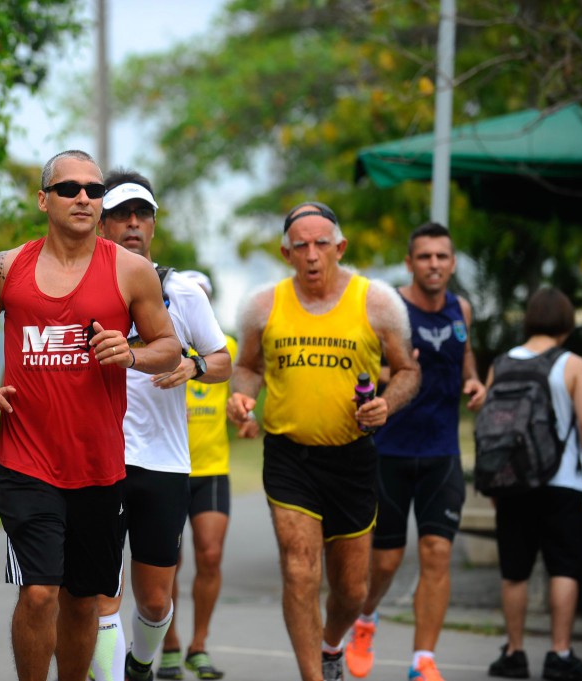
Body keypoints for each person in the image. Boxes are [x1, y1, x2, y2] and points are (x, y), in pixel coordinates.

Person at [0, 149, 182, 681]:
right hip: (27, 461)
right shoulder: (7, 267)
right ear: (43, 199)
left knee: (83, 601)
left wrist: (132, 354)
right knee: (38, 593)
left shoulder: (131, 270)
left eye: (94, 190)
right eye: (69, 188)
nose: (84, 198)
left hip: (100, 466)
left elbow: (168, 346)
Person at [225, 201, 419, 681]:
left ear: (340, 248)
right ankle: (313, 675)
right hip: (290, 456)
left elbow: (409, 372)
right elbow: (247, 368)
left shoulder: (376, 302)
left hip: (352, 457)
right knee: (299, 568)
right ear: (286, 253)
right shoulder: (262, 306)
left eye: (321, 245)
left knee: (352, 589)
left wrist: (386, 404)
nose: (312, 255)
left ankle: (332, 645)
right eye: (301, 246)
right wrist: (242, 399)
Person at [92, 172, 231, 681]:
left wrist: (194, 365)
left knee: (154, 600)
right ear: (102, 223)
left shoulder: (182, 291)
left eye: (142, 214)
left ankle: (141, 665)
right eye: (122, 214)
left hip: (164, 462)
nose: (133, 223)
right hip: (99, 460)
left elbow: (223, 361)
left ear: (152, 224)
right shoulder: (81, 286)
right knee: (103, 595)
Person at [343, 222, 486, 681]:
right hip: (390, 450)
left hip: (442, 453)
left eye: (442, 256)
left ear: (453, 262)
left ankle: (423, 660)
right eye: (425, 256)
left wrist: (475, 382)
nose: (434, 264)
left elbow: (465, 359)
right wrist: (393, 375)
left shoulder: (461, 308)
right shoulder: (391, 308)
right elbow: (360, 373)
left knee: (437, 553)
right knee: (384, 561)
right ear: (410, 262)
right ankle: (365, 619)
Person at [484, 287, 582, 681]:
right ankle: (559, 654)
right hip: (563, 482)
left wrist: (494, 482)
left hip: (512, 483)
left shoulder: (502, 362)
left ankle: (514, 653)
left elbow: (492, 430)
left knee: (515, 570)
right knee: (564, 565)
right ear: (566, 322)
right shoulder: (573, 364)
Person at [157, 270, 239, 681]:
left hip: (211, 469)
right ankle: (169, 645)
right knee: (166, 562)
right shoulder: (158, 346)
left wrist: (243, 412)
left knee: (210, 555)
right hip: (169, 467)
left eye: (203, 297)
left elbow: (240, 388)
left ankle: (198, 645)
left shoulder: (227, 349)